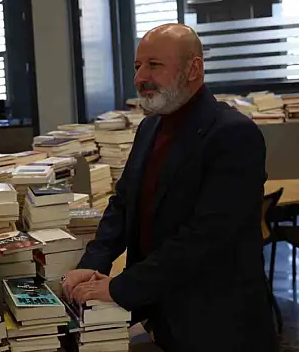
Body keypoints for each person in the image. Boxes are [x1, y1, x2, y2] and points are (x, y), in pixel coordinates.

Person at [62, 24, 278, 352]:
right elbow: (123, 204)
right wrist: (94, 262)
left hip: (216, 323)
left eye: (154, 65)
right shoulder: (150, 127)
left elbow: (206, 238)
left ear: (194, 69)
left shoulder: (234, 135)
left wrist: (121, 288)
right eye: (137, 66)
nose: (140, 77)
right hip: (158, 311)